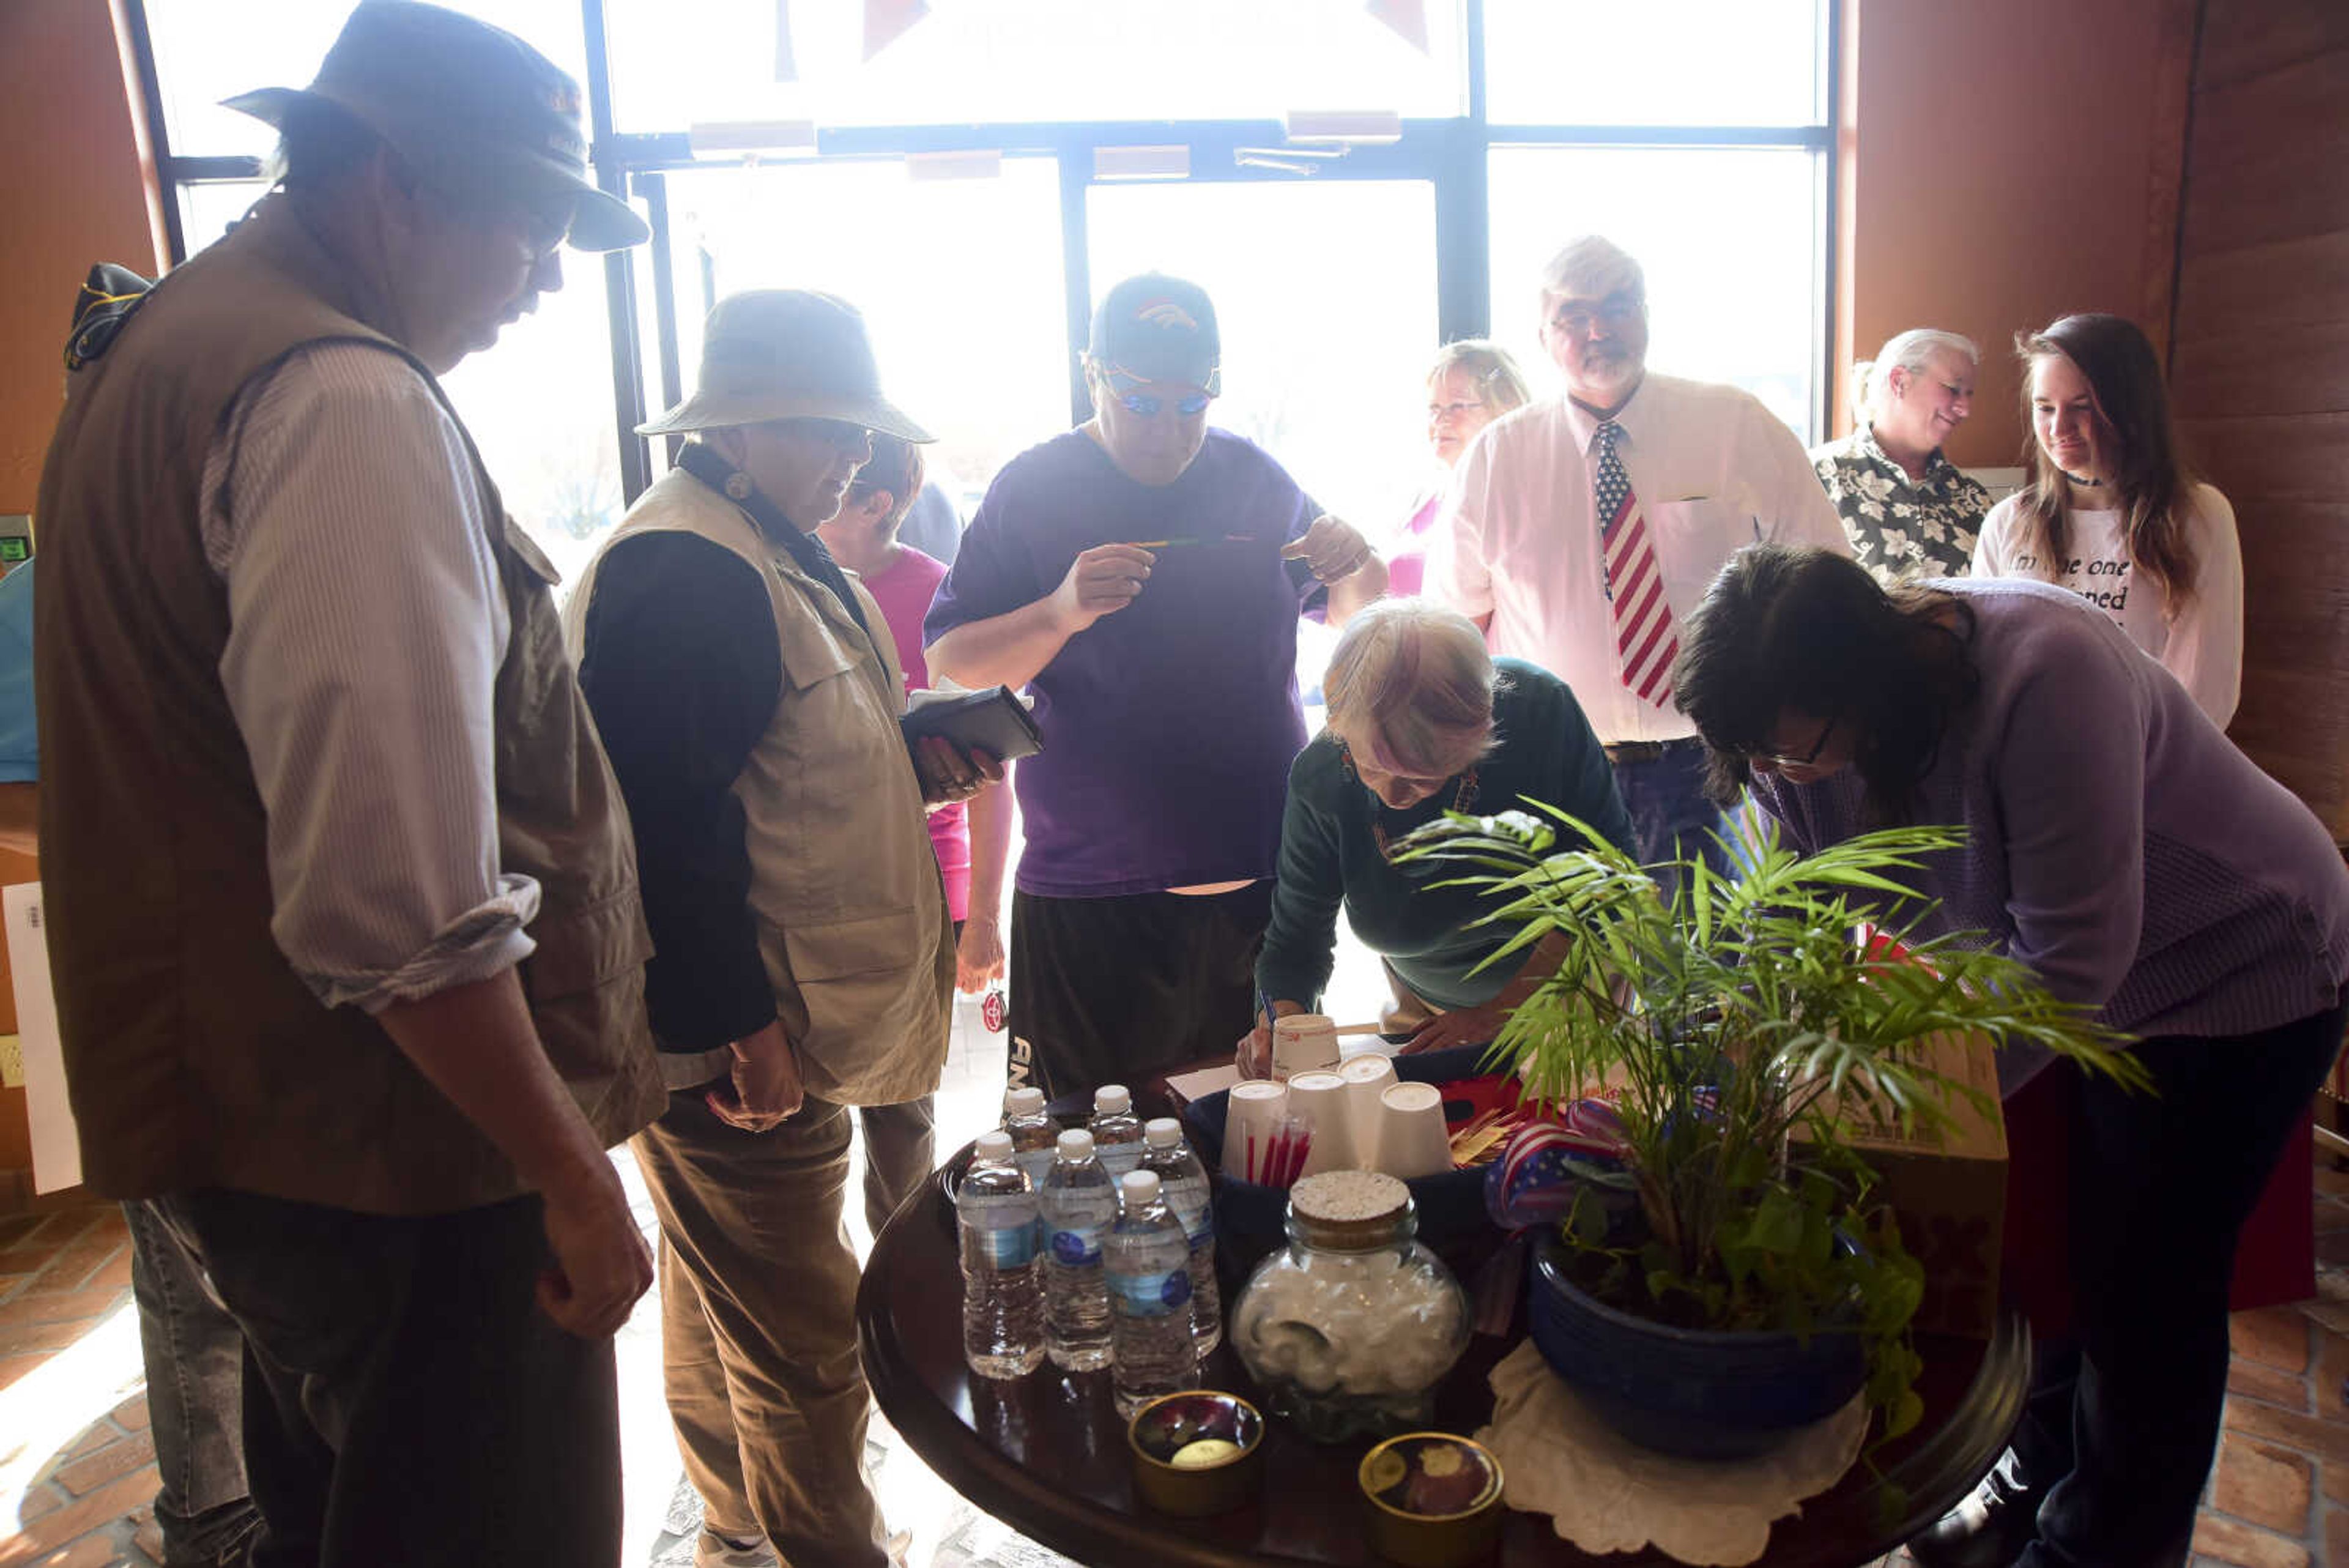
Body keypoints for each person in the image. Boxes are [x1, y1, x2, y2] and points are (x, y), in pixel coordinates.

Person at [32, 6, 667, 1564]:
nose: (543, 270)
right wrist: (568, 1173)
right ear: (394, 180)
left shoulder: (172, 341)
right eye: (526, 219)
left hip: (275, 1135)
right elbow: (396, 907)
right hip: (405, 1161)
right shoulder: (344, 396)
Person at [1673, 544, 2349, 1568]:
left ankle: (2108, 1545)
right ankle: (2032, 1481)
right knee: (2054, 1247)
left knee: (2146, 1283)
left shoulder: (2046, 671)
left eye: (1796, 755)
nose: (1780, 778)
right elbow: (1795, 913)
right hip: (2074, 979)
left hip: (2235, 966)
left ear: (1867, 685)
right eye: (1757, 758)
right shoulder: (1793, 730)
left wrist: (1897, 1100)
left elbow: (2074, 960)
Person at [568, 289, 989, 1568]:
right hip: (745, 1040)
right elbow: (661, 825)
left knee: (722, 1300)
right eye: (829, 430)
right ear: (740, 428)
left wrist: (907, 756)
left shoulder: (766, 540)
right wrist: (736, 1024)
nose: (856, 459)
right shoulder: (684, 566)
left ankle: (736, 1533)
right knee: (806, 1339)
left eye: (861, 434)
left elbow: (768, 763)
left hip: (777, 1024)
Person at [926, 272, 1386, 1099]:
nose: (1169, 430)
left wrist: (1356, 562)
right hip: (1091, 882)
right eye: (1141, 403)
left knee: (1259, 1129)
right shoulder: (1033, 487)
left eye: (1193, 402)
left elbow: (1358, 607)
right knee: (1079, 1137)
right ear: (1092, 372)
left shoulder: (1254, 477)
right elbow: (953, 660)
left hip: (1260, 872)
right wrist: (1060, 611)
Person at [1428, 235, 1848, 887]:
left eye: (1618, 306)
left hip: (1717, 765)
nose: (1599, 328)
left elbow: (1825, 579)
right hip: (1557, 771)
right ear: (1543, 336)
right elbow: (1450, 627)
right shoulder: (1497, 458)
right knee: (1576, 976)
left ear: (1647, 315)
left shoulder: (1734, 425)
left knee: (1716, 970)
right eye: (1573, 315)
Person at [1, 556, 261, 1567]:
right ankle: (212, 1526)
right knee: (188, 1278)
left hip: (299, 997)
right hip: (158, 988)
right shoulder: (49, 589)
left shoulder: (284, 552)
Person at [1239, 602, 1635, 1072]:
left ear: (1480, 733)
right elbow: (1294, 945)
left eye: (1423, 777)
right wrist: (1280, 1024)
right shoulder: (1321, 778)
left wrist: (1500, 1013)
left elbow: (1606, 880)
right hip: (1426, 1002)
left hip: (1568, 982)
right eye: (1372, 768)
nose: (1394, 793)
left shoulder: (1540, 712)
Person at [815, 429, 1014, 1233]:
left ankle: (904, 1281)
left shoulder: (939, 598)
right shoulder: (793, 585)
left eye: (841, 480)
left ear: (877, 503)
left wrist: (987, 920)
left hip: (922, 885)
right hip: (817, 882)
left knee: (902, 1117)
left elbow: (993, 775)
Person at [1971, 312, 2243, 727]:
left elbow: (2205, 687)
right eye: (2044, 408)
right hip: (2028, 762)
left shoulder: (2196, 515)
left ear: (2130, 409)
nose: (2059, 428)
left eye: (2082, 408)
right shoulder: (2009, 521)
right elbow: (1984, 660)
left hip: (2146, 767)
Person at [1810, 328, 1993, 582]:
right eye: (1954, 389)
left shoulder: (1974, 500)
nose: (1965, 409)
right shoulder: (1820, 477)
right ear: (1900, 382)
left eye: (1969, 395)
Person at [1389, 340, 1532, 597]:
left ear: (1503, 409)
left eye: (1457, 406)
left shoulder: (1514, 502)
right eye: (1434, 408)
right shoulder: (1423, 498)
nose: (1440, 421)